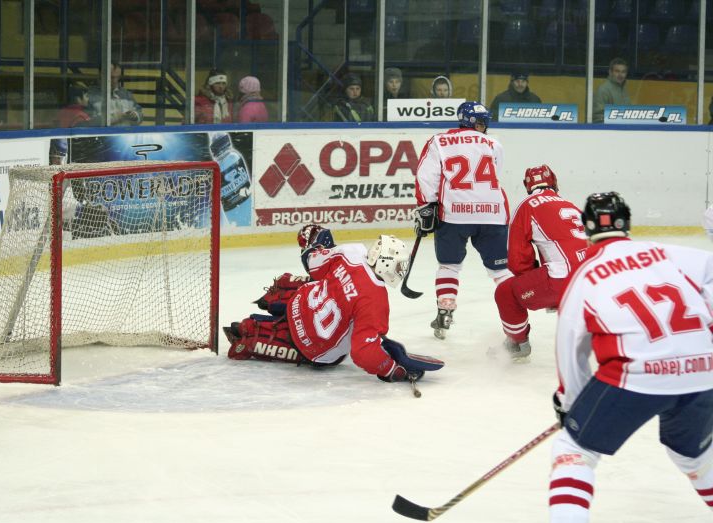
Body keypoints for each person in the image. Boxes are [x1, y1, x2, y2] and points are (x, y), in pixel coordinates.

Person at [549, 192, 713, 523]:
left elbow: (570, 346)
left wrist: (570, 403)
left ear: (586, 228)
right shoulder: (668, 252)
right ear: (627, 223)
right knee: (694, 455)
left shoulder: (585, 276)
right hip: (703, 370)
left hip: (635, 375)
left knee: (574, 450)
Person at [222, 225, 444, 382]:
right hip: (315, 347)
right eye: (399, 265)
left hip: (299, 303)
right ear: (385, 262)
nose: (401, 271)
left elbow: (313, 264)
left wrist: (316, 245)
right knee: (343, 321)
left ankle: (266, 313)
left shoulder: (351, 252)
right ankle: (253, 334)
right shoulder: (376, 301)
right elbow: (363, 352)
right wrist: (391, 370)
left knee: (291, 283)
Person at [414, 101, 512, 339]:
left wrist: (426, 205)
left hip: (454, 214)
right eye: (481, 122)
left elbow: (425, 177)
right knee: (500, 270)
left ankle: (445, 311)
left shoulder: (439, 141)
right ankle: (515, 314)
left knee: (449, 266)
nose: (484, 126)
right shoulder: (494, 143)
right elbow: (496, 173)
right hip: (493, 213)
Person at [493, 164, 587, 361]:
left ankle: (517, 343)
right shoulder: (571, 205)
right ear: (554, 182)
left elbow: (517, 259)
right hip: (593, 278)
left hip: (562, 280)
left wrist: (532, 278)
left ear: (527, 186)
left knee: (505, 292)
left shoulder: (526, 205)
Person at [89, 62, 143, 126]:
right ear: (101, 75)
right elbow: (87, 122)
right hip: (104, 132)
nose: (115, 81)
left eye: (117, 77)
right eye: (111, 77)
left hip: (125, 131)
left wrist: (135, 115)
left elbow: (140, 113)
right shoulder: (89, 96)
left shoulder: (126, 94)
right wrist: (115, 117)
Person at [592, 57, 631, 124]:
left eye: (623, 72)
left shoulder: (623, 90)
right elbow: (598, 117)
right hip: (608, 129)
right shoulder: (603, 90)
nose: (620, 75)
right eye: (617, 71)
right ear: (610, 72)